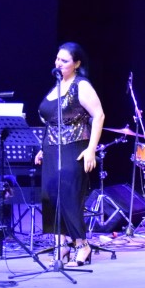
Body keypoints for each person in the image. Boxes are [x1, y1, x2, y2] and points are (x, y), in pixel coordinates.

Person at [34, 42, 105, 268]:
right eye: (57, 59)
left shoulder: (81, 85)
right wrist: (43, 148)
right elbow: (51, 121)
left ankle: (82, 246)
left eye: (64, 61)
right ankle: (61, 245)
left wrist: (91, 149)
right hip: (52, 149)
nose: (58, 63)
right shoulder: (56, 86)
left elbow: (99, 115)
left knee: (68, 196)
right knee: (51, 195)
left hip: (75, 147)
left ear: (76, 64)